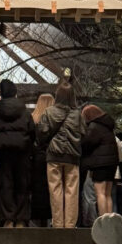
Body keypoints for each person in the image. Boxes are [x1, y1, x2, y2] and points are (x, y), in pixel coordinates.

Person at [0, 79, 35, 227]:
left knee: (6, 185)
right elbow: (32, 130)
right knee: (22, 184)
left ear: (2, 94)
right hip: (22, 152)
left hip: (4, 152)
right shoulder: (24, 110)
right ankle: (21, 220)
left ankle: (8, 219)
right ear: (15, 93)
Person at [38, 82, 84, 229]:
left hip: (53, 155)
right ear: (72, 96)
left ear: (57, 96)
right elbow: (84, 134)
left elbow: (42, 133)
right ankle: (70, 225)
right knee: (72, 191)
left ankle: (58, 225)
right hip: (72, 156)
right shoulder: (78, 114)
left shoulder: (48, 112)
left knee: (55, 190)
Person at [80, 103, 118, 217]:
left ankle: (103, 220)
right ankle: (109, 219)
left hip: (99, 164)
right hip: (112, 163)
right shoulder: (108, 126)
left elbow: (87, 144)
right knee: (108, 194)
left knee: (100, 193)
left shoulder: (94, 126)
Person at [29, 93, 55, 226]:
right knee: (51, 187)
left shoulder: (33, 118)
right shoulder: (54, 119)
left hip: (36, 159)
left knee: (37, 188)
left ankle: (36, 217)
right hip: (52, 156)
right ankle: (50, 217)